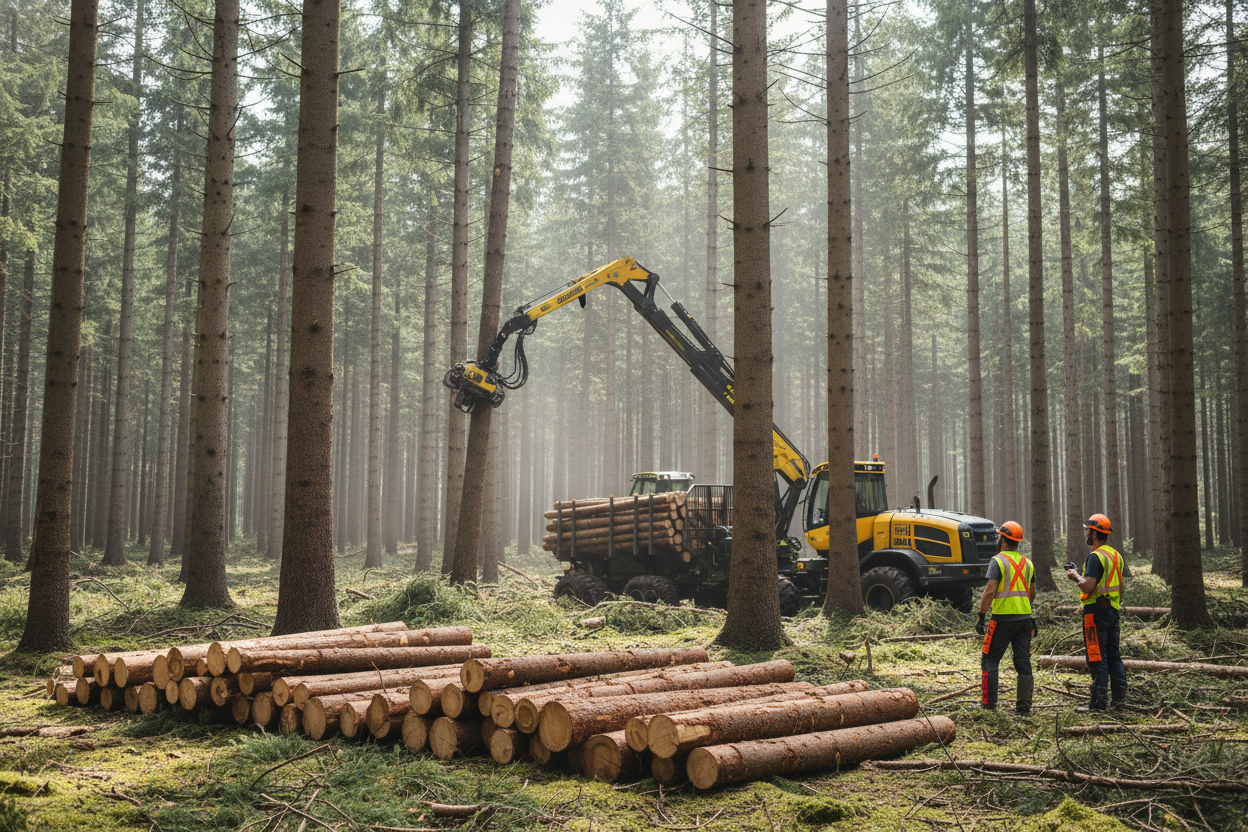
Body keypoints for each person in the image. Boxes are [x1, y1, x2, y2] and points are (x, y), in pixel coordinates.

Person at [1065, 513, 1127, 712]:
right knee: (1113, 655)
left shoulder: (1095, 556)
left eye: (1088, 531)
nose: (1086, 534)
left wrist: (1075, 576)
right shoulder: (1115, 555)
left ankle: (1098, 703)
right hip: (1113, 610)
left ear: (1094, 533)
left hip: (1095, 612)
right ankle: (1119, 699)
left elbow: (1087, 587)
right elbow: (1118, 587)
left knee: (1096, 655)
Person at [975, 521, 1035, 713]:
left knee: (989, 659)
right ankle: (1024, 708)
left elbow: (989, 591)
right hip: (1024, 619)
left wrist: (981, 616)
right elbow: (1031, 593)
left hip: (1001, 619)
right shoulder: (1027, 563)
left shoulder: (998, 561)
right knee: (1023, 662)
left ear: (1002, 539)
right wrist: (1021, 607)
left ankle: (988, 705)